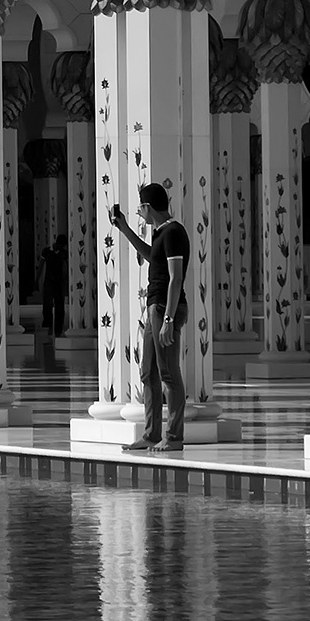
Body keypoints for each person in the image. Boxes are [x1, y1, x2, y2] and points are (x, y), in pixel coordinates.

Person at [102, 181, 192, 452]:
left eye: (140, 206)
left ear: (148, 207)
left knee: (168, 374)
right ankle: (152, 434)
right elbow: (152, 258)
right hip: (156, 308)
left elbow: (176, 279)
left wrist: (169, 319)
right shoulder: (161, 234)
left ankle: (173, 438)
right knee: (147, 373)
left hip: (166, 308)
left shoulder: (174, 232)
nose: (139, 211)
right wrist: (125, 228)